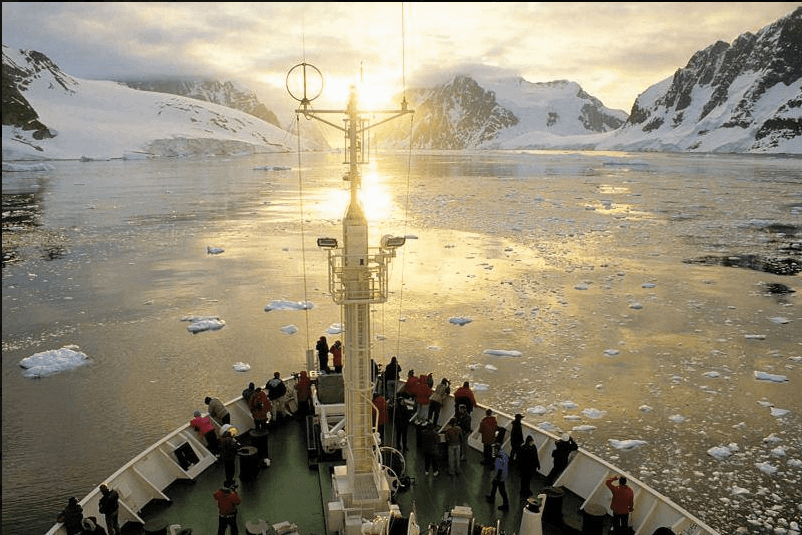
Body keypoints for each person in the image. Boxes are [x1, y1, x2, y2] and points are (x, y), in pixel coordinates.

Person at [485, 443, 510, 511]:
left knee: (502, 491)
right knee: (494, 486)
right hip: (503, 474)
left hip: (500, 476)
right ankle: (492, 497)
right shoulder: (503, 454)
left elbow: (499, 469)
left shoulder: (499, 458)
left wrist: (497, 478)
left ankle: (506, 505)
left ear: (496, 449)